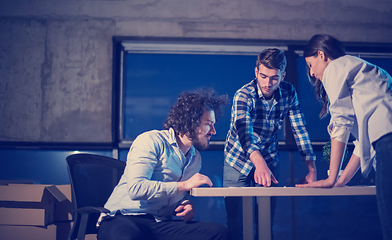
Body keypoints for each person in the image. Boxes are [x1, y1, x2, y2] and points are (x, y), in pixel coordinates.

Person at [97, 89, 230, 240]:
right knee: (127, 237)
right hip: (123, 217)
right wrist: (185, 185)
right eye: (208, 124)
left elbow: (173, 195)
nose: (213, 131)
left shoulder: (195, 158)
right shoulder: (151, 141)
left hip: (160, 223)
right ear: (190, 122)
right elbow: (136, 189)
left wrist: (185, 204)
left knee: (219, 233)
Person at [296, 34, 392, 240]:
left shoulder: (336, 67)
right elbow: (364, 143)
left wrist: (331, 178)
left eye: (311, 64)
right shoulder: (362, 69)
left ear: (321, 55)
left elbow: (341, 121)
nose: (312, 73)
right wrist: (340, 180)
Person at [223, 48, 317, 240]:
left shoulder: (289, 92)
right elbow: (244, 131)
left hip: (269, 157)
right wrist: (259, 163)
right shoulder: (243, 95)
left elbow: (300, 129)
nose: (268, 83)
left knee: (265, 223)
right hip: (237, 160)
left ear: (283, 75)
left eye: (274, 78)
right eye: (263, 76)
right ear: (256, 71)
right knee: (236, 225)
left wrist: (311, 168)